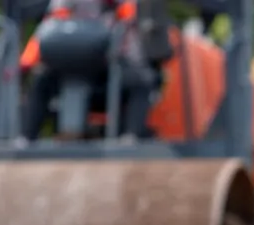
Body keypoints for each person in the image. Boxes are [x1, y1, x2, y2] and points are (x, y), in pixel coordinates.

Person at [20, 0, 172, 140]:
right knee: (40, 81)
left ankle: (131, 138)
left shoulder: (125, 6)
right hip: (68, 66)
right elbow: (47, 30)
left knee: (141, 82)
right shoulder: (64, 4)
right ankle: (26, 138)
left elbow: (132, 36)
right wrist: (25, 64)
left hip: (107, 70)